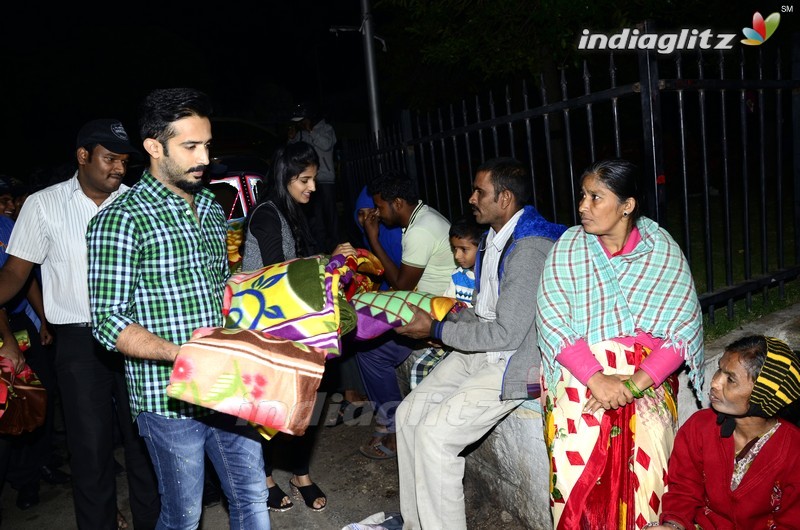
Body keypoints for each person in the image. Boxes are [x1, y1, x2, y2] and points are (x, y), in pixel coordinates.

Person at [86, 88, 270, 530]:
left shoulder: (209, 205)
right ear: (153, 146)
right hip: (168, 399)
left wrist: (251, 287)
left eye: (207, 144)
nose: (204, 157)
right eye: (190, 146)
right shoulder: (119, 219)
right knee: (184, 516)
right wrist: (182, 353)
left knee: (252, 499)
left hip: (228, 384)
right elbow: (108, 322)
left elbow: (216, 283)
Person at [0, 120, 160, 529]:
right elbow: (16, 274)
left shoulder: (137, 202)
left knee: (145, 442)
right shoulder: (42, 204)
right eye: (110, 159)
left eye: (124, 162)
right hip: (79, 343)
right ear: (83, 155)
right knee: (89, 451)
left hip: (134, 336)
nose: (119, 170)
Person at [393, 157, 567, 529]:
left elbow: (506, 333)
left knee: (436, 436)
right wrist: (439, 316)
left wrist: (435, 331)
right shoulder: (491, 239)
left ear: (504, 199)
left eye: (480, 192)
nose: (472, 198)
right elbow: (482, 313)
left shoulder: (529, 248)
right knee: (407, 416)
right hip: (482, 353)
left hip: (515, 364)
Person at [535, 158, 704, 529]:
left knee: (651, 443)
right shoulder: (568, 248)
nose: (583, 206)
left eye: (596, 197)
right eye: (583, 196)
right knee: (575, 442)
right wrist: (597, 379)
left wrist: (630, 384)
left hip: (644, 374)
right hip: (581, 370)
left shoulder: (662, 250)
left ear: (627, 205)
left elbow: (682, 331)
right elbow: (552, 321)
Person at [242, 140, 356, 513]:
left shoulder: (290, 212)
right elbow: (279, 275)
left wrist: (329, 259)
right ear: (285, 177)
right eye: (304, 180)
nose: (312, 187)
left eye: (313, 179)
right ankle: (266, 478)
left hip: (289, 324)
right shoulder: (267, 215)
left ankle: (301, 474)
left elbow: (298, 264)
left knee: (305, 402)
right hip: (266, 328)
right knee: (270, 408)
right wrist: (329, 259)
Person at [645, 335, 800, 529]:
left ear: (763, 395)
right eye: (719, 369)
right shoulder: (699, 427)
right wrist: (673, 525)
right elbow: (684, 490)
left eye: (731, 380)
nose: (715, 383)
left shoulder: (794, 451)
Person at [356, 171, 454, 460]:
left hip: (437, 316)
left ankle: (397, 429)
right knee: (367, 336)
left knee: (370, 350)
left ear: (397, 202)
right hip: (427, 306)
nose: (377, 213)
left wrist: (373, 239)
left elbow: (401, 285)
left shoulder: (421, 229)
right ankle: (392, 422)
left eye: (380, 206)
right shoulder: (420, 219)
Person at [409, 213, 484, 389]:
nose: (457, 256)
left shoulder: (488, 279)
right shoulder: (457, 277)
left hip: (475, 339)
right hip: (452, 337)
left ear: (482, 246)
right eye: (454, 249)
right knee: (420, 368)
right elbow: (444, 305)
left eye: (464, 249)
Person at [287, 101, 339, 252]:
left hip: (326, 179)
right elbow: (292, 153)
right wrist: (291, 138)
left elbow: (326, 145)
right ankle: (320, 250)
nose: (302, 123)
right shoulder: (302, 133)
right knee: (316, 218)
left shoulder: (326, 128)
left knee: (331, 216)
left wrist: (311, 130)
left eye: (303, 120)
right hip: (308, 181)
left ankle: (337, 246)